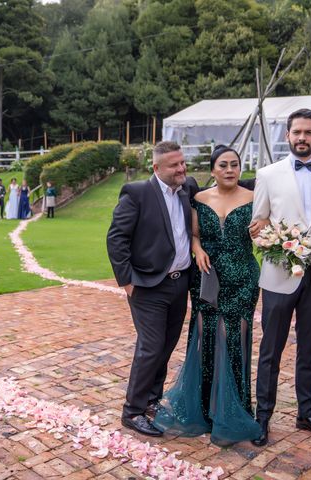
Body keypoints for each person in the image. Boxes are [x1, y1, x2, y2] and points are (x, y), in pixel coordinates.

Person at [153, 146, 263, 445]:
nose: (230, 170)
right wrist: (197, 249)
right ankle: (203, 408)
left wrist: (263, 227)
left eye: (235, 165)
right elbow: (195, 235)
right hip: (207, 277)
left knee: (236, 339)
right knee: (205, 337)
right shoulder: (199, 199)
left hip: (243, 277)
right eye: (223, 165)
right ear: (213, 170)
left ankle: (237, 409)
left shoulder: (255, 199)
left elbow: (267, 231)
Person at [250, 108, 311, 446]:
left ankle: (306, 414)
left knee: (310, 350)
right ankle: (263, 417)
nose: (302, 138)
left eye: (308, 132)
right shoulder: (267, 174)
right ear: (288, 136)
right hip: (278, 276)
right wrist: (277, 246)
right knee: (270, 351)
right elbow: (257, 226)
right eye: (296, 132)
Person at [107, 141, 198, 437]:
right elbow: (116, 239)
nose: (181, 169)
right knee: (151, 347)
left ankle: (152, 401)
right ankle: (132, 410)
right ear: (156, 168)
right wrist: (127, 281)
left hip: (179, 283)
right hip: (146, 286)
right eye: (174, 165)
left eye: (182, 163)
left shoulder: (189, 188)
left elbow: (224, 188)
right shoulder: (137, 193)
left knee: (166, 346)